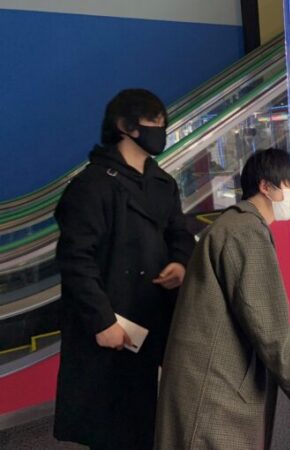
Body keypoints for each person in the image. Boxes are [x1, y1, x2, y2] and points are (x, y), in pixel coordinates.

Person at [155, 148, 290, 450]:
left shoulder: (235, 224)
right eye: (289, 184)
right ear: (265, 186)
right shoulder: (246, 232)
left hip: (203, 380)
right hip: (214, 392)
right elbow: (267, 325)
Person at [53, 89, 194, 449]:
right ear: (125, 126)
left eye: (163, 123)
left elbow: (179, 232)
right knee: (112, 425)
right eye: (152, 123)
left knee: (147, 417)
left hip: (151, 314)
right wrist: (102, 322)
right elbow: (76, 260)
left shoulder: (162, 182)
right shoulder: (92, 185)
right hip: (111, 320)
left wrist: (179, 262)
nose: (160, 131)